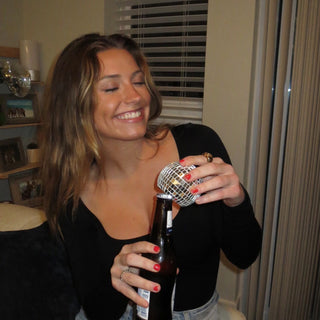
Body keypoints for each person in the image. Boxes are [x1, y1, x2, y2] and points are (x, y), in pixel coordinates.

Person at [40, 33, 262, 320]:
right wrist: (117, 280)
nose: (134, 96)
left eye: (138, 81)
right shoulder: (72, 199)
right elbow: (97, 308)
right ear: (75, 107)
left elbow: (245, 255)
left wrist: (238, 201)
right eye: (110, 88)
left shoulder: (197, 147)